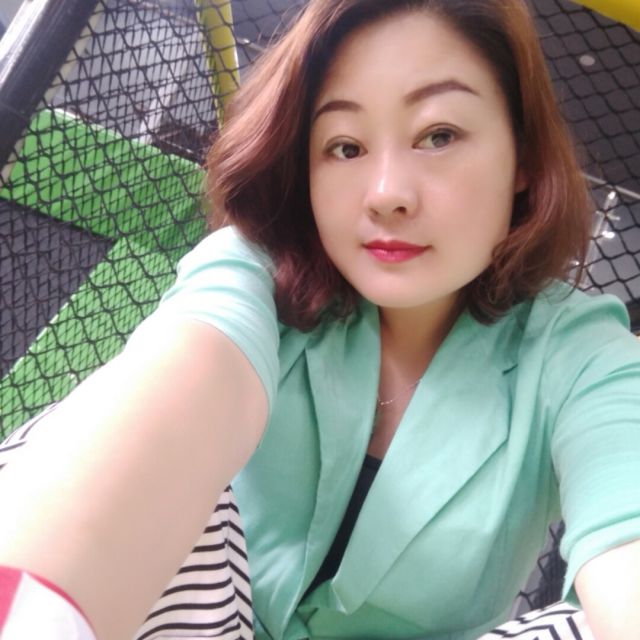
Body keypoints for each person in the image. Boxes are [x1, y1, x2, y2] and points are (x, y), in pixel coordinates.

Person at [0, 0, 639, 638]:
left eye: (439, 135)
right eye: (346, 146)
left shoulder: (581, 355)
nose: (387, 194)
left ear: (522, 156)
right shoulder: (255, 271)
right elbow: (177, 391)